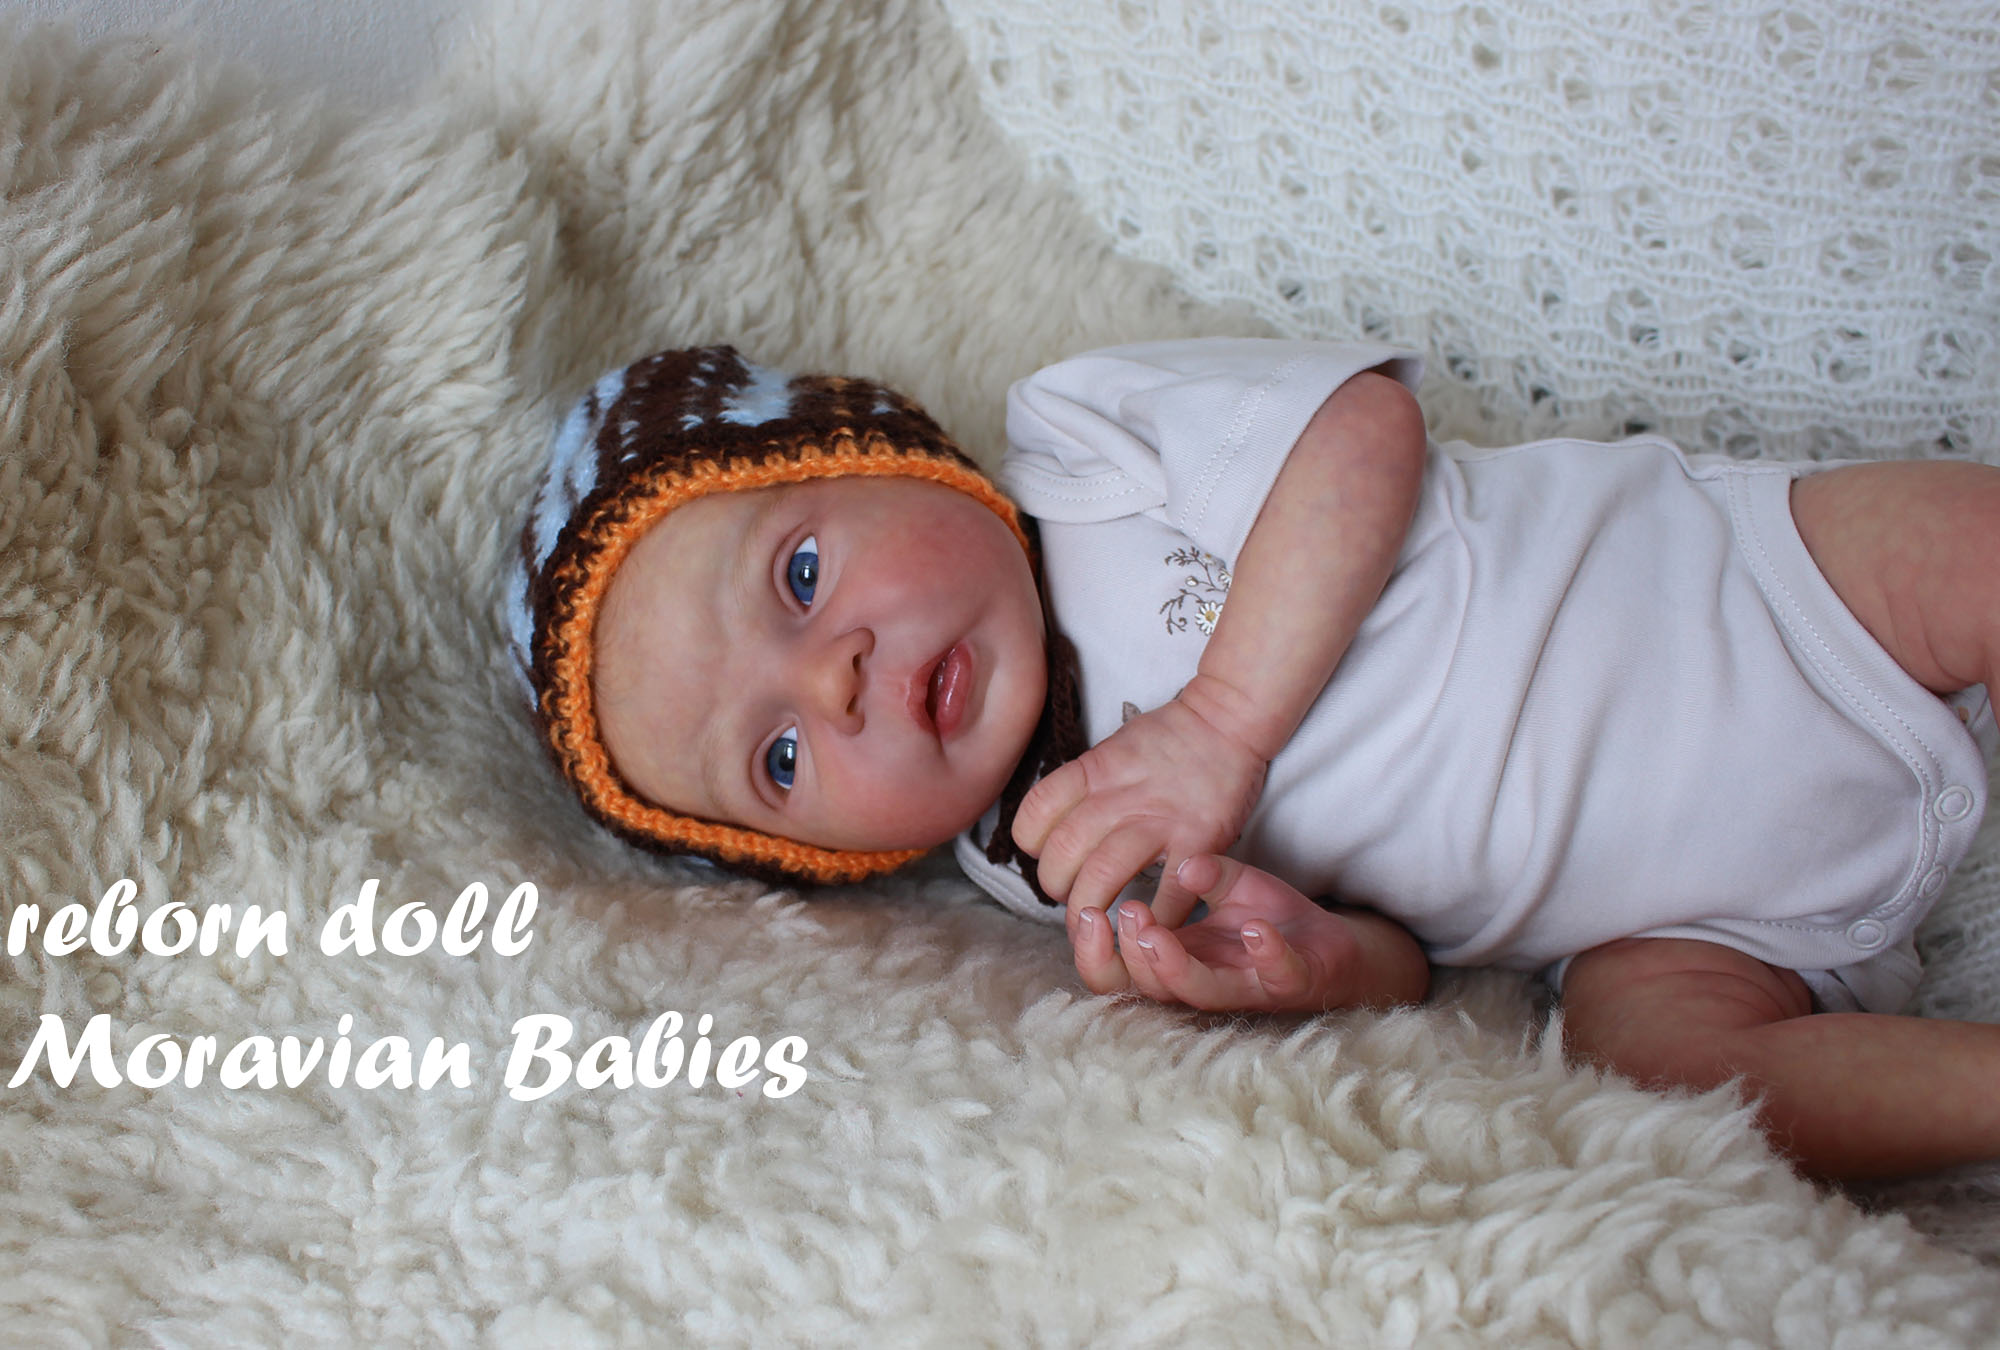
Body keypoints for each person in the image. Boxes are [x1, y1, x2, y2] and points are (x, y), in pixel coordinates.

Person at [508, 340, 2000, 1181]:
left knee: (1971, 551)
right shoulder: (1049, 865)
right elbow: (1411, 967)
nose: (833, 680)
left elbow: (1365, 429)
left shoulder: (1085, 446)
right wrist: (1312, 961)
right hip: (1690, 926)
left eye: (802, 574)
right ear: (826, 857)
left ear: (880, 452)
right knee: (1664, 1084)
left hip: (1749, 594)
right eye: (777, 757)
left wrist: (1223, 721)